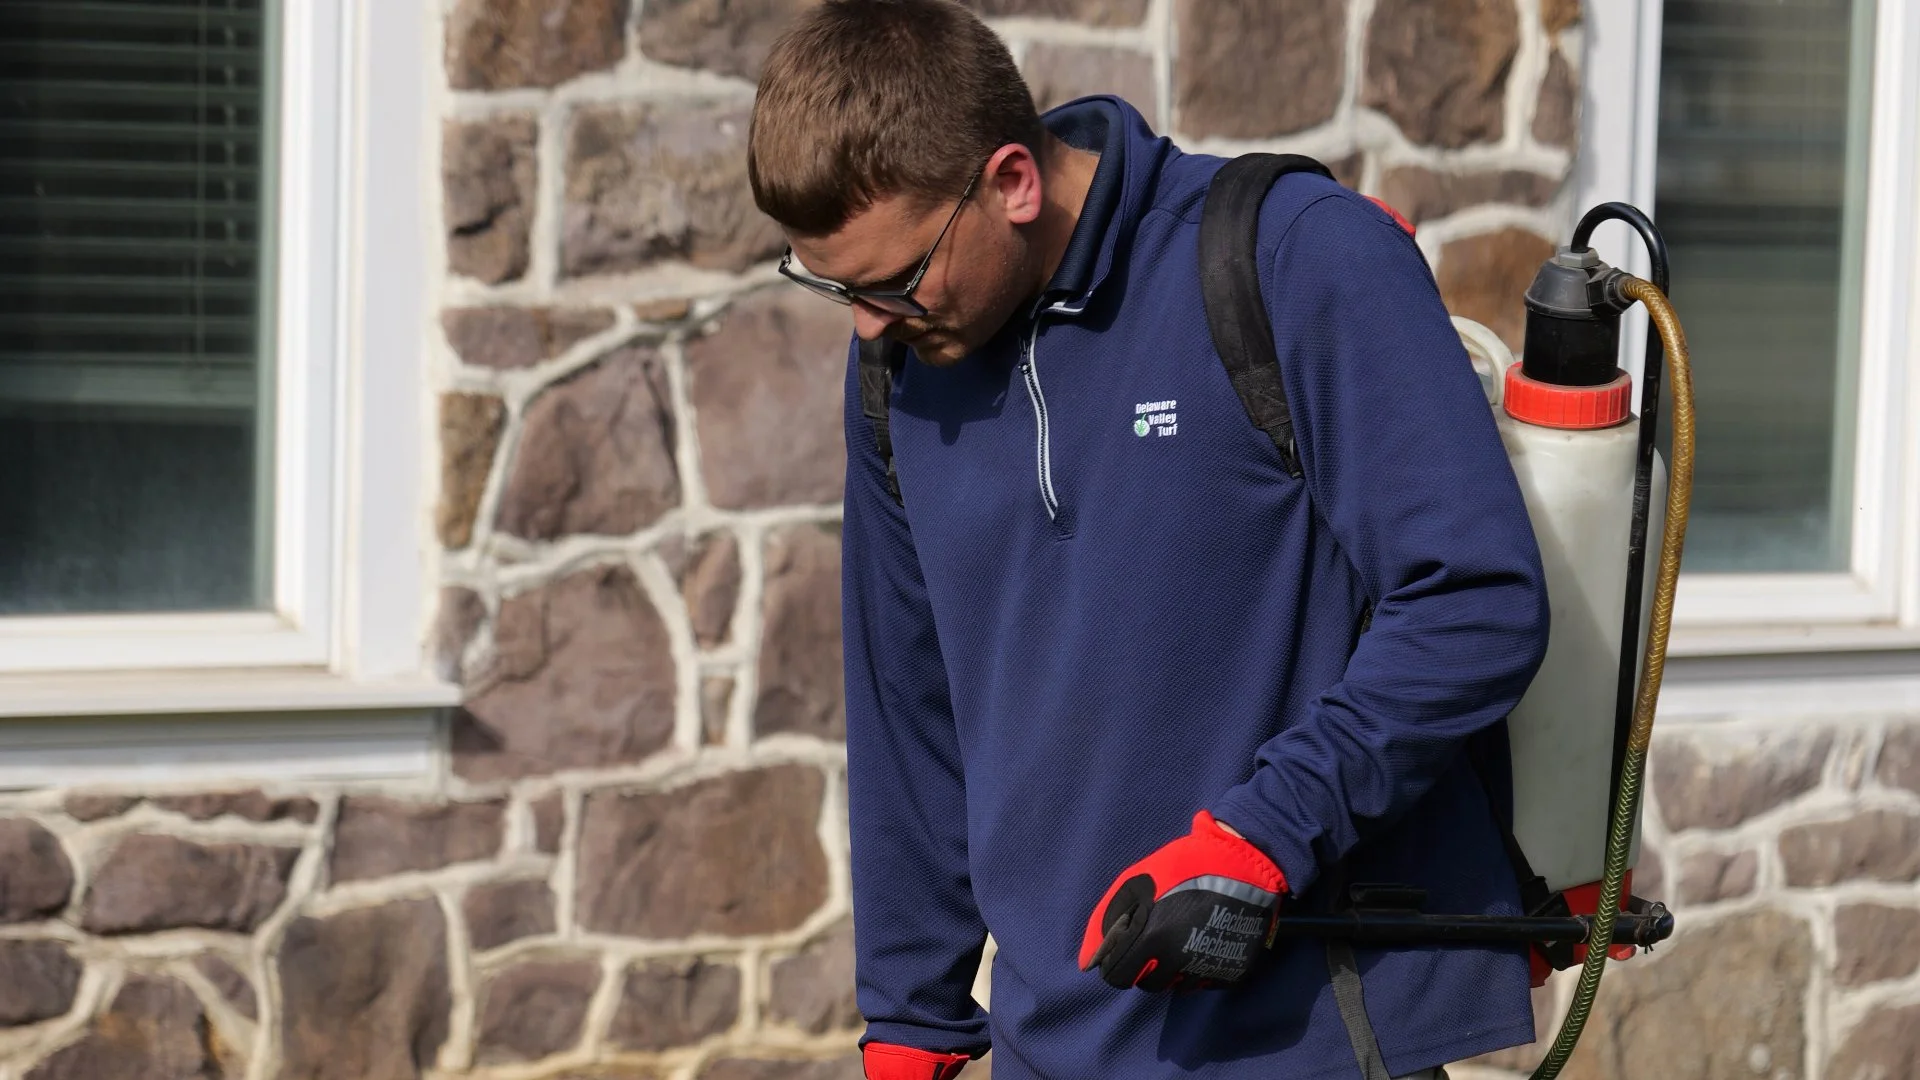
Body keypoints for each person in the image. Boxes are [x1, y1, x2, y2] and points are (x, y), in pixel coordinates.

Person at [747, 2, 1552, 1077]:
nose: (867, 323)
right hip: (1050, 1046)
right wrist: (912, 1016)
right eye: (837, 287)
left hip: (1303, 1036)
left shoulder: (1293, 259)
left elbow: (1475, 599)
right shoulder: (897, 369)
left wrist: (1267, 835)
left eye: (894, 280)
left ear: (1012, 183)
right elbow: (908, 700)